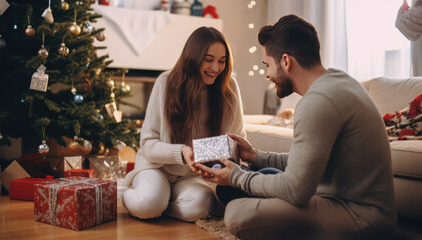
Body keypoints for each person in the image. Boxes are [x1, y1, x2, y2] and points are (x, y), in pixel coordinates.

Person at [195, 15, 397, 239]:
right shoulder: (339, 81)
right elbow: (307, 162)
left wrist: (236, 177)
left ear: (286, 61)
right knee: (261, 179)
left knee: (236, 214)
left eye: (267, 65)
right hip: (348, 202)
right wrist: (254, 155)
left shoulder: (317, 102)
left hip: (362, 219)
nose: (267, 74)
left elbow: (295, 191)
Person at [123, 26, 246, 222]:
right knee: (146, 205)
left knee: (201, 206)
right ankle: (132, 193)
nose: (216, 68)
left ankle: (161, 204)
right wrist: (182, 152)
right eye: (209, 60)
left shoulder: (229, 88)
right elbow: (147, 145)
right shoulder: (165, 82)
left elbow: (238, 141)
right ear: (193, 57)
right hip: (157, 168)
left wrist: (199, 153)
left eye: (222, 61)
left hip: (192, 176)